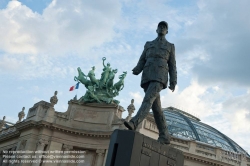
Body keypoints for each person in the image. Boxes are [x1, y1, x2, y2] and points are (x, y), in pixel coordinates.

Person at [124, 21, 177, 144]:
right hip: (147, 75)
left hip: (160, 76)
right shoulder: (148, 44)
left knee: (148, 99)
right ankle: (165, 135)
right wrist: (137, 69)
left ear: (167, 31)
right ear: (157, 29)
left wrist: (173, 80)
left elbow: (172, 65)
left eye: (164, 27)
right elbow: (142, 59)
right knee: (156, 107)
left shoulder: (170, 46)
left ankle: (134, 122)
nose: (162, 28)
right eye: (160, 26)